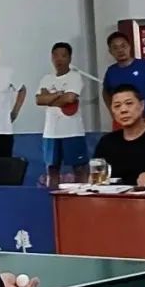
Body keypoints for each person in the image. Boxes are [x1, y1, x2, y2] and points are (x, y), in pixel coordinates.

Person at [93, 84, 145, 185]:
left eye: (129, 103)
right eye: (117, 106)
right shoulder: (106, 142)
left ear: (142, 105)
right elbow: (96, 180)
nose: (123, 110)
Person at [35, 42, 89, 186]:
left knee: (79, 169)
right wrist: (58, 95)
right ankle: (52, 196)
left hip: (73, 131)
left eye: (63, 55)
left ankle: (82, 196)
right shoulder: (46, 78)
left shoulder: (75, 77)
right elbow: (39, 100)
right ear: (52, 58)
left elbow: (70, 98)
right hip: (51, 133)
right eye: (56, 56)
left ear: (70, 58)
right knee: (52, 169)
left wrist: (50, 99)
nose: (59, 59)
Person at [102, 31, 145, 127]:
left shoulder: (143, 65)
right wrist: (112, 112)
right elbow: (105, 92)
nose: (120, 50)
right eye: (115, 48)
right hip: (121, 122)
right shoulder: (111, 71)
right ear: (110, 51)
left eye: (123, 46)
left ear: (129, 46)